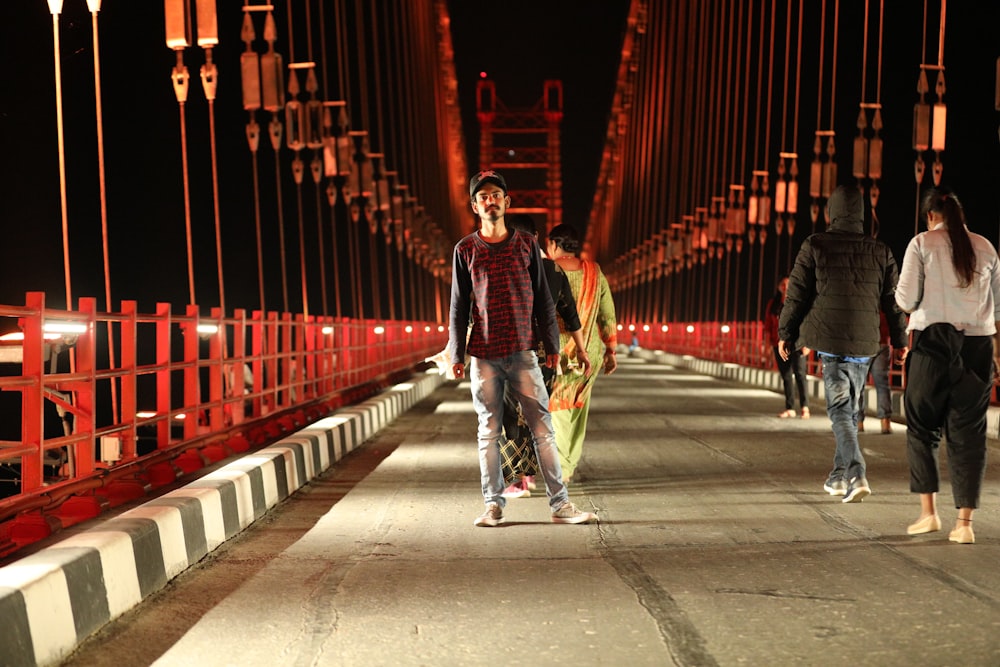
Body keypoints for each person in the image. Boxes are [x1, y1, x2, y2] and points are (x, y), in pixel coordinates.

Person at [448, 170, 596, 526]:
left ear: (507, 202)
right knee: (488, 431)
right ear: (475, 206)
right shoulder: (464, 249)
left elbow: (545, 299)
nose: (490, 200)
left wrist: (552, 345)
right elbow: (457, 304)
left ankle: (561, 505)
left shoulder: (527, 245)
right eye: (482, 196)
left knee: (542, 428)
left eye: (496, 194)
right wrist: (456, 352)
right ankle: (493, 506)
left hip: (524, 352)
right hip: (484, 356)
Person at [778, 184, 908, 503]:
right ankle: (837, 477)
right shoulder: (881, 251)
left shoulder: (815, 245)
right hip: (866, 345)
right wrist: (900, 340)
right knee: (850, 411)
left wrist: (786, 333)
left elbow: (796, 295)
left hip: (831, 342)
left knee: (839, 410)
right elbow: (893, 302)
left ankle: (856, 472)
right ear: (863, 214)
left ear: (831, 212)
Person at [895, 186, 1000, 545]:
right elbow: (997, 310)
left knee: (922, 428)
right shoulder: (986, 247)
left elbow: (906, 299)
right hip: (978, 347)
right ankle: (964, 525)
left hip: (933, 344)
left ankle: (929, 514)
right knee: (969, 435)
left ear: (929, 216)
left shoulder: (921, 244)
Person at [499, 214, 591, 499]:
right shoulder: (554, 271)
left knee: (510, 416)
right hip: (547, 356)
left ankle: (514, 482)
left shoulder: (503, 268)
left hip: (511, 352)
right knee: (537, 415)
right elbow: (570, 314)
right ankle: (531, 477)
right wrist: (583, 351)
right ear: (536, 238)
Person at [546, 223, 618, 483]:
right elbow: (607, 314)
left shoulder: (549, 269)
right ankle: (569, 463)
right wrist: (611, 350)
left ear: (554, 245)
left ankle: (563, 469)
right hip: (592, 351)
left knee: (559, 408)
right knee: (578, 408)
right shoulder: (594, 271)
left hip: (561, 353)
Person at [764, 276, 810, 419]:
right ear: (779, 288)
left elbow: (807, 323)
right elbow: (767, 325)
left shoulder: (800, 302)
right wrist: (767, 343)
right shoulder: (773, 304)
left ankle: (805, 407)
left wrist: (807, 343)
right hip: (779, 344)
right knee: (786, 376)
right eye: (783, 284)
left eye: (788, 284)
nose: (785, 287)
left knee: (800, 374)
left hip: (797, 343)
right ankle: (790, 408)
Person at [858, 312, 894, 434]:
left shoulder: (863, 297)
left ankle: (858, 422)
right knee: (882, 384)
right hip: (882, 342)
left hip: (863, 344)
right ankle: (885, 422)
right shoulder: (885, 299)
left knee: (858, 385)